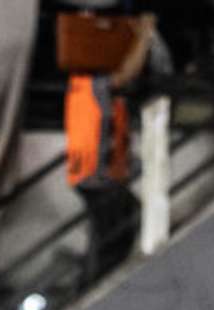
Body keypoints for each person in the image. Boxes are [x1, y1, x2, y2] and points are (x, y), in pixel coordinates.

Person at [65, 13, 157, 285]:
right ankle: (95, 284)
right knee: (115, 233)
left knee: (118, 223)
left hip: (92, 174)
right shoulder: (92, 82)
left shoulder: (82, 83)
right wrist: (144, 36)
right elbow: (128, 73)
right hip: (96, 176)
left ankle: (94, 279)